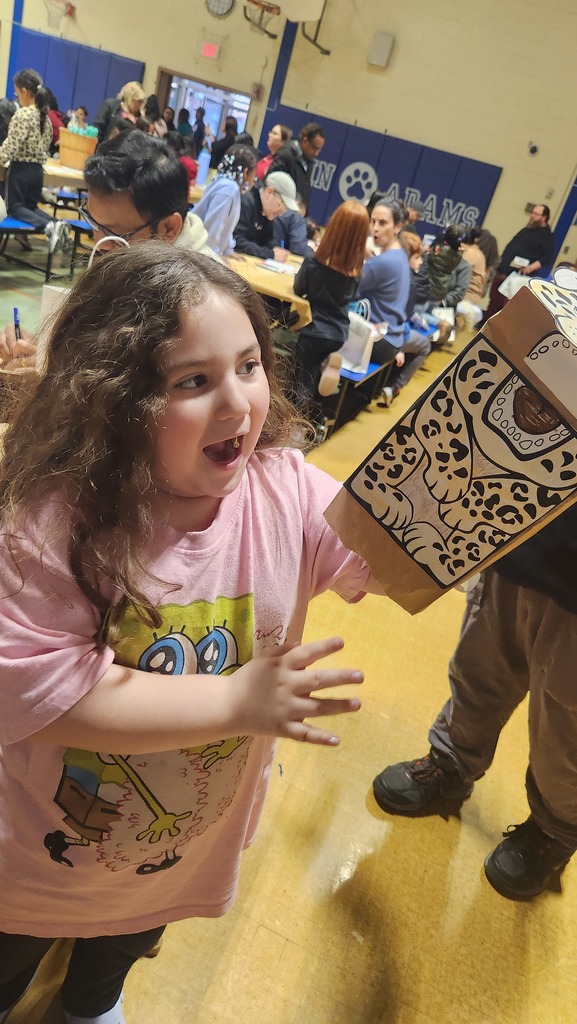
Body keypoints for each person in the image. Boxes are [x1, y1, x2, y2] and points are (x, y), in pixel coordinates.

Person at [0, 241, 385, 1024]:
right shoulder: (55, 520)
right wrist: (235, 701)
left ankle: (92, 1003)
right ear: (111, 399)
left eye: (248, 365)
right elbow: (41, 695)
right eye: (193, 382)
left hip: (176, 849)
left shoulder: (284, 490)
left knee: (126, 944)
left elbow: (385, 554)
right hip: (35, 859)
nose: (238, 403)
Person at [372, 497, 577, 900]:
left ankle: (554, 830)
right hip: (524, 527)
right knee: (478, 669)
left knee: (565, 728)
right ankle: (451, 763)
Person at [293, 199, 369, 409]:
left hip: (313, 331)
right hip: (338, 334)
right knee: (313, 372)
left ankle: (294, 426)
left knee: (301, 381)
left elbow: (299, 289)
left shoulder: (313, 263)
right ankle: (322, 380)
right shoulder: (356, 274)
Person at [0, 68, 58, 243]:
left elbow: (12, 144)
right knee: (31, 208)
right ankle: (56, 223)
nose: (17, 98)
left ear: (24, 91)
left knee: (16, 208)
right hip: (37, 171)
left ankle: (49, 227)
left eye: (17, 94)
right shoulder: (45, 117)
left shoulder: (24, 113)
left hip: (20, 170)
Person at [379, 231, 432, 406]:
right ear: (408, 256)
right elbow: (400, 320)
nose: (421, 262)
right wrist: (399, 347)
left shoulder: (381, 265)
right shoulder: (409, 283)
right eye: (418, 258)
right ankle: (395, 388)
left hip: (374, 329)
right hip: (388, 336)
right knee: (425, 345)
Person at [357, 198, 411, 367]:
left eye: (382, 223)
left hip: (379, 340)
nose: (375, 228)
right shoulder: (400, 255)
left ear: (398, 226)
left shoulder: (383, 262)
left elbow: (348, 289)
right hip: (393, 339)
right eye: (372, 221)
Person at [484, 203, 555, 320]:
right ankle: (484, 321)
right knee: (494, 299)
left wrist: (530, 268)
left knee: (504, 304)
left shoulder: (547, 236)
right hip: (504, 269)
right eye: (533, 213)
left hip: (517, 274)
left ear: (544, 217)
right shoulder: (528, 229)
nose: (532, 216)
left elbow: (547, 258)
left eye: (536, 214)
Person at [193, 145, 257, 256]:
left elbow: (225, 227)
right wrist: (213, 261)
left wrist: (228, 250)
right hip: (199, 252)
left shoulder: (230, 187)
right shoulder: (228, 189)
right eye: (253, 176)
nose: (253, 180)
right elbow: (212, 230)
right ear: (246, 172)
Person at [233, 170, 299, 261]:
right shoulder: (246, 202)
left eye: (285, 209)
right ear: (269, 192)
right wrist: (270, 254)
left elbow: (269, 239)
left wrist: (275, 248)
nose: (282, 212)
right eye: (282, 204)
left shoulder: (268, 213)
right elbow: (236, 241)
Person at [270, 122, 325, 213]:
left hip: (296, 217)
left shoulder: (309, 163)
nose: (316, 153)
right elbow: (271, 185)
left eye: (319, 150)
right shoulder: (285, 155)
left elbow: (304, 195)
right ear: (305, 141)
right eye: (314, 148)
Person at [456, 226, 487, 329]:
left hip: (466, 299)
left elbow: (455, 272)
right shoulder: (478, 253)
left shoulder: (469, 254)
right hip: (472, 299)